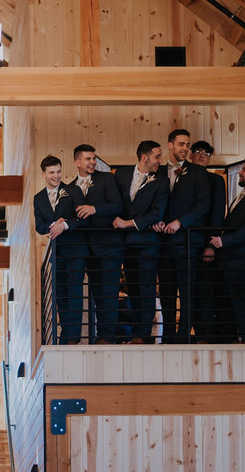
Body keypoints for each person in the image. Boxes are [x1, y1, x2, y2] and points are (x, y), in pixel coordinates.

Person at [153, 129, 210, 342]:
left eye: (188, 145)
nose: (185, 148)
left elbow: (203, 205)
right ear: (170, 145)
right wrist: (156, 221)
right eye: (181, 144)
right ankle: (167, 335)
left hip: (187, 241)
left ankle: (184, 334)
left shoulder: (197, 172)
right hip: (162, 242)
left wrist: (180, 222)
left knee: (187, 291)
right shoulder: (157, 171)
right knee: (166, 291)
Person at [207, 157, 245, 343]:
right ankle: (230, 336)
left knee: (237, 296)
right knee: (228, 296)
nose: (240, 173)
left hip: (241, 255)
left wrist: (224, 241)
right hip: (230, 255)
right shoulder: (243, 195)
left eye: (244, 169)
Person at [113, 141, 168, 344]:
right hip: (127, 243)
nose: (159, 161)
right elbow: (117, 203)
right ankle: (135, 332)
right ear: (144, 157)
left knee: (146, 288)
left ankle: (142, 335)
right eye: (156, 157)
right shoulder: (121, 175)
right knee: (133, 288)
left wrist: (128, 223)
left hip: (148, 242)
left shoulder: (160, 180)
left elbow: (157, 212)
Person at [71, 144, 123, 344]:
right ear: (77, 162)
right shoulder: (71, 187)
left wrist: (95, 209)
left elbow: (118, 205)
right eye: (87, 159)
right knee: (97, 293)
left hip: (110, 245)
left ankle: (108, 337)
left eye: (93, 158)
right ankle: (100, 334)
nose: (92, 162)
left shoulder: (106, 178)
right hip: (87, 249)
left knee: (109, 292)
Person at [33, 155, 84, 345]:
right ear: (43, 174)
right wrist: (54, 225)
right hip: (57, 252)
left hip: (75, 249)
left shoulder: (73, 191)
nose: (56, 176)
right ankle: (66, 333)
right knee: (61, 294)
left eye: (59, 172)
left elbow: (81, 218)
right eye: (52, 172)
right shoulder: (38, 198)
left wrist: (66, 226)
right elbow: (40, 226)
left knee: (74, 291)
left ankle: (73, 337)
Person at [188, 140, 229, 343]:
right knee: (188, 291)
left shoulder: (215, 181)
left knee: (204, 291)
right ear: (190, 154)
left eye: (207, 153)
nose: (203, 155)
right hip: (183, 243)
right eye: (198, 151)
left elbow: (217, 214)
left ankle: (204, 335)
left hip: (205, 244)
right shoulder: (183, 177)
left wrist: (210, 245)